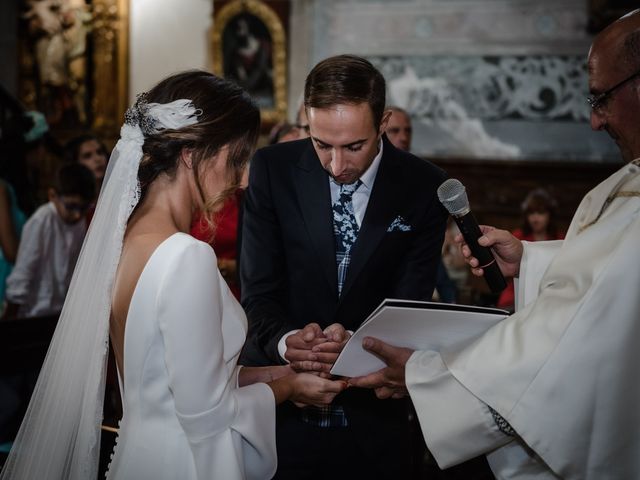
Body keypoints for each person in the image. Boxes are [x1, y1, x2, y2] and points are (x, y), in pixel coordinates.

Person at [0, 70, 346, 480]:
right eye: (236, 158)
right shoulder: (186, 256)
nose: (243, 179)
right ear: (191, 154)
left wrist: (284, 372)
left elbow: (177, 379)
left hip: (140, 454)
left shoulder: (124, 240)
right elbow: (206, 415)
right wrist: (288, 391)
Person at [349, 9, 640, 479]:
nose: (594, 119)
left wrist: (430, 375)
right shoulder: (627, 181)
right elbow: (601, 276)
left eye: (601, 98)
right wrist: (530, 260)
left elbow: (586, 324)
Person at [240, 55, 448, 479]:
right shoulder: (272, 170)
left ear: (383, 121)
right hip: (282, 420)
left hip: (377, 424)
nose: (337, 166)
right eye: (321, 144)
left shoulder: (425, 185)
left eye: (354, 146)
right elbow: (258, 291)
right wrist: (286, 341)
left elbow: (410, 307)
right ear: (306, 120)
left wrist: (355, 345)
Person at [3, 163, 95, 320]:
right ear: (53, 196)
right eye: (71, 206)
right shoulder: (41, 221)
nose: (77, 215)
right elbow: (23, 271)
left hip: (62, 313)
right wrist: (10, 315)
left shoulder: (79, 222)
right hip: (34, 312)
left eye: (83, 208)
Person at [385, 106, 457, 304]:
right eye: (395, 130)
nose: (403, 137)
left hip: (418, 251)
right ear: (380, 130)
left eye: (407, 130)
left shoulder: (423, 174)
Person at [497, 188, 564, 311]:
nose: (535, 218)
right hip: (516, 294)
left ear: (550, 215)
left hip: (551, 295)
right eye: (531, 213)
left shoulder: (560, 239)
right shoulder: (517, 237)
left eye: (541, 213)